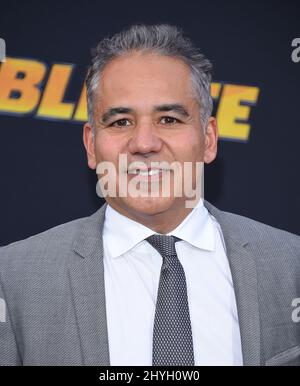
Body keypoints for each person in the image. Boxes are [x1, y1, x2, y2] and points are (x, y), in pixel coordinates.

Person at [0, 24, 299, 366]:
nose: (144, 143)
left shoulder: (292, 266)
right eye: (121, 122)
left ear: (209, 138)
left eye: (169, 119)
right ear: (91, 146)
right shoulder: (12, 279)